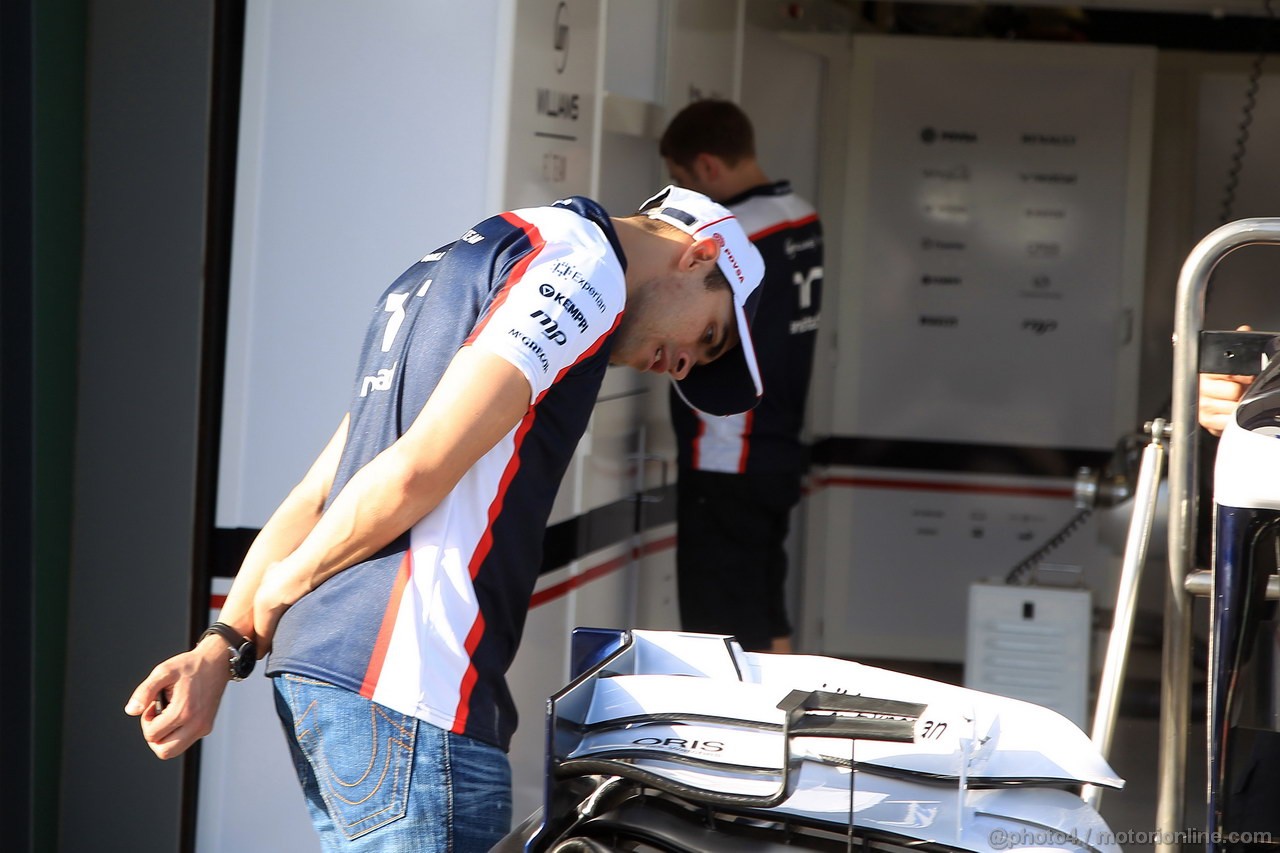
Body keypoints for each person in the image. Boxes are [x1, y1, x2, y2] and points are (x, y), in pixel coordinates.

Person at [125, 185, 764, 852]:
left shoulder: (468, 256)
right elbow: (415, 470)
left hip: (328, 681)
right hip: (413, 692)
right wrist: (284, 585)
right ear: (699, 254)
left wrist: (221, 644)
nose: (683, 363)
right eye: (710, 336)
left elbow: (322, 489)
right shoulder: (580, 267)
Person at [658, 99, 823, 654]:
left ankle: (744, 736)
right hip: (777, 442)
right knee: (764, 612)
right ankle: (783, 737)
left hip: (729, 452)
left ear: (707, 167)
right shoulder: (799, 214)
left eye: (683, 180)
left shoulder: (736, 235)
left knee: (721, 638)